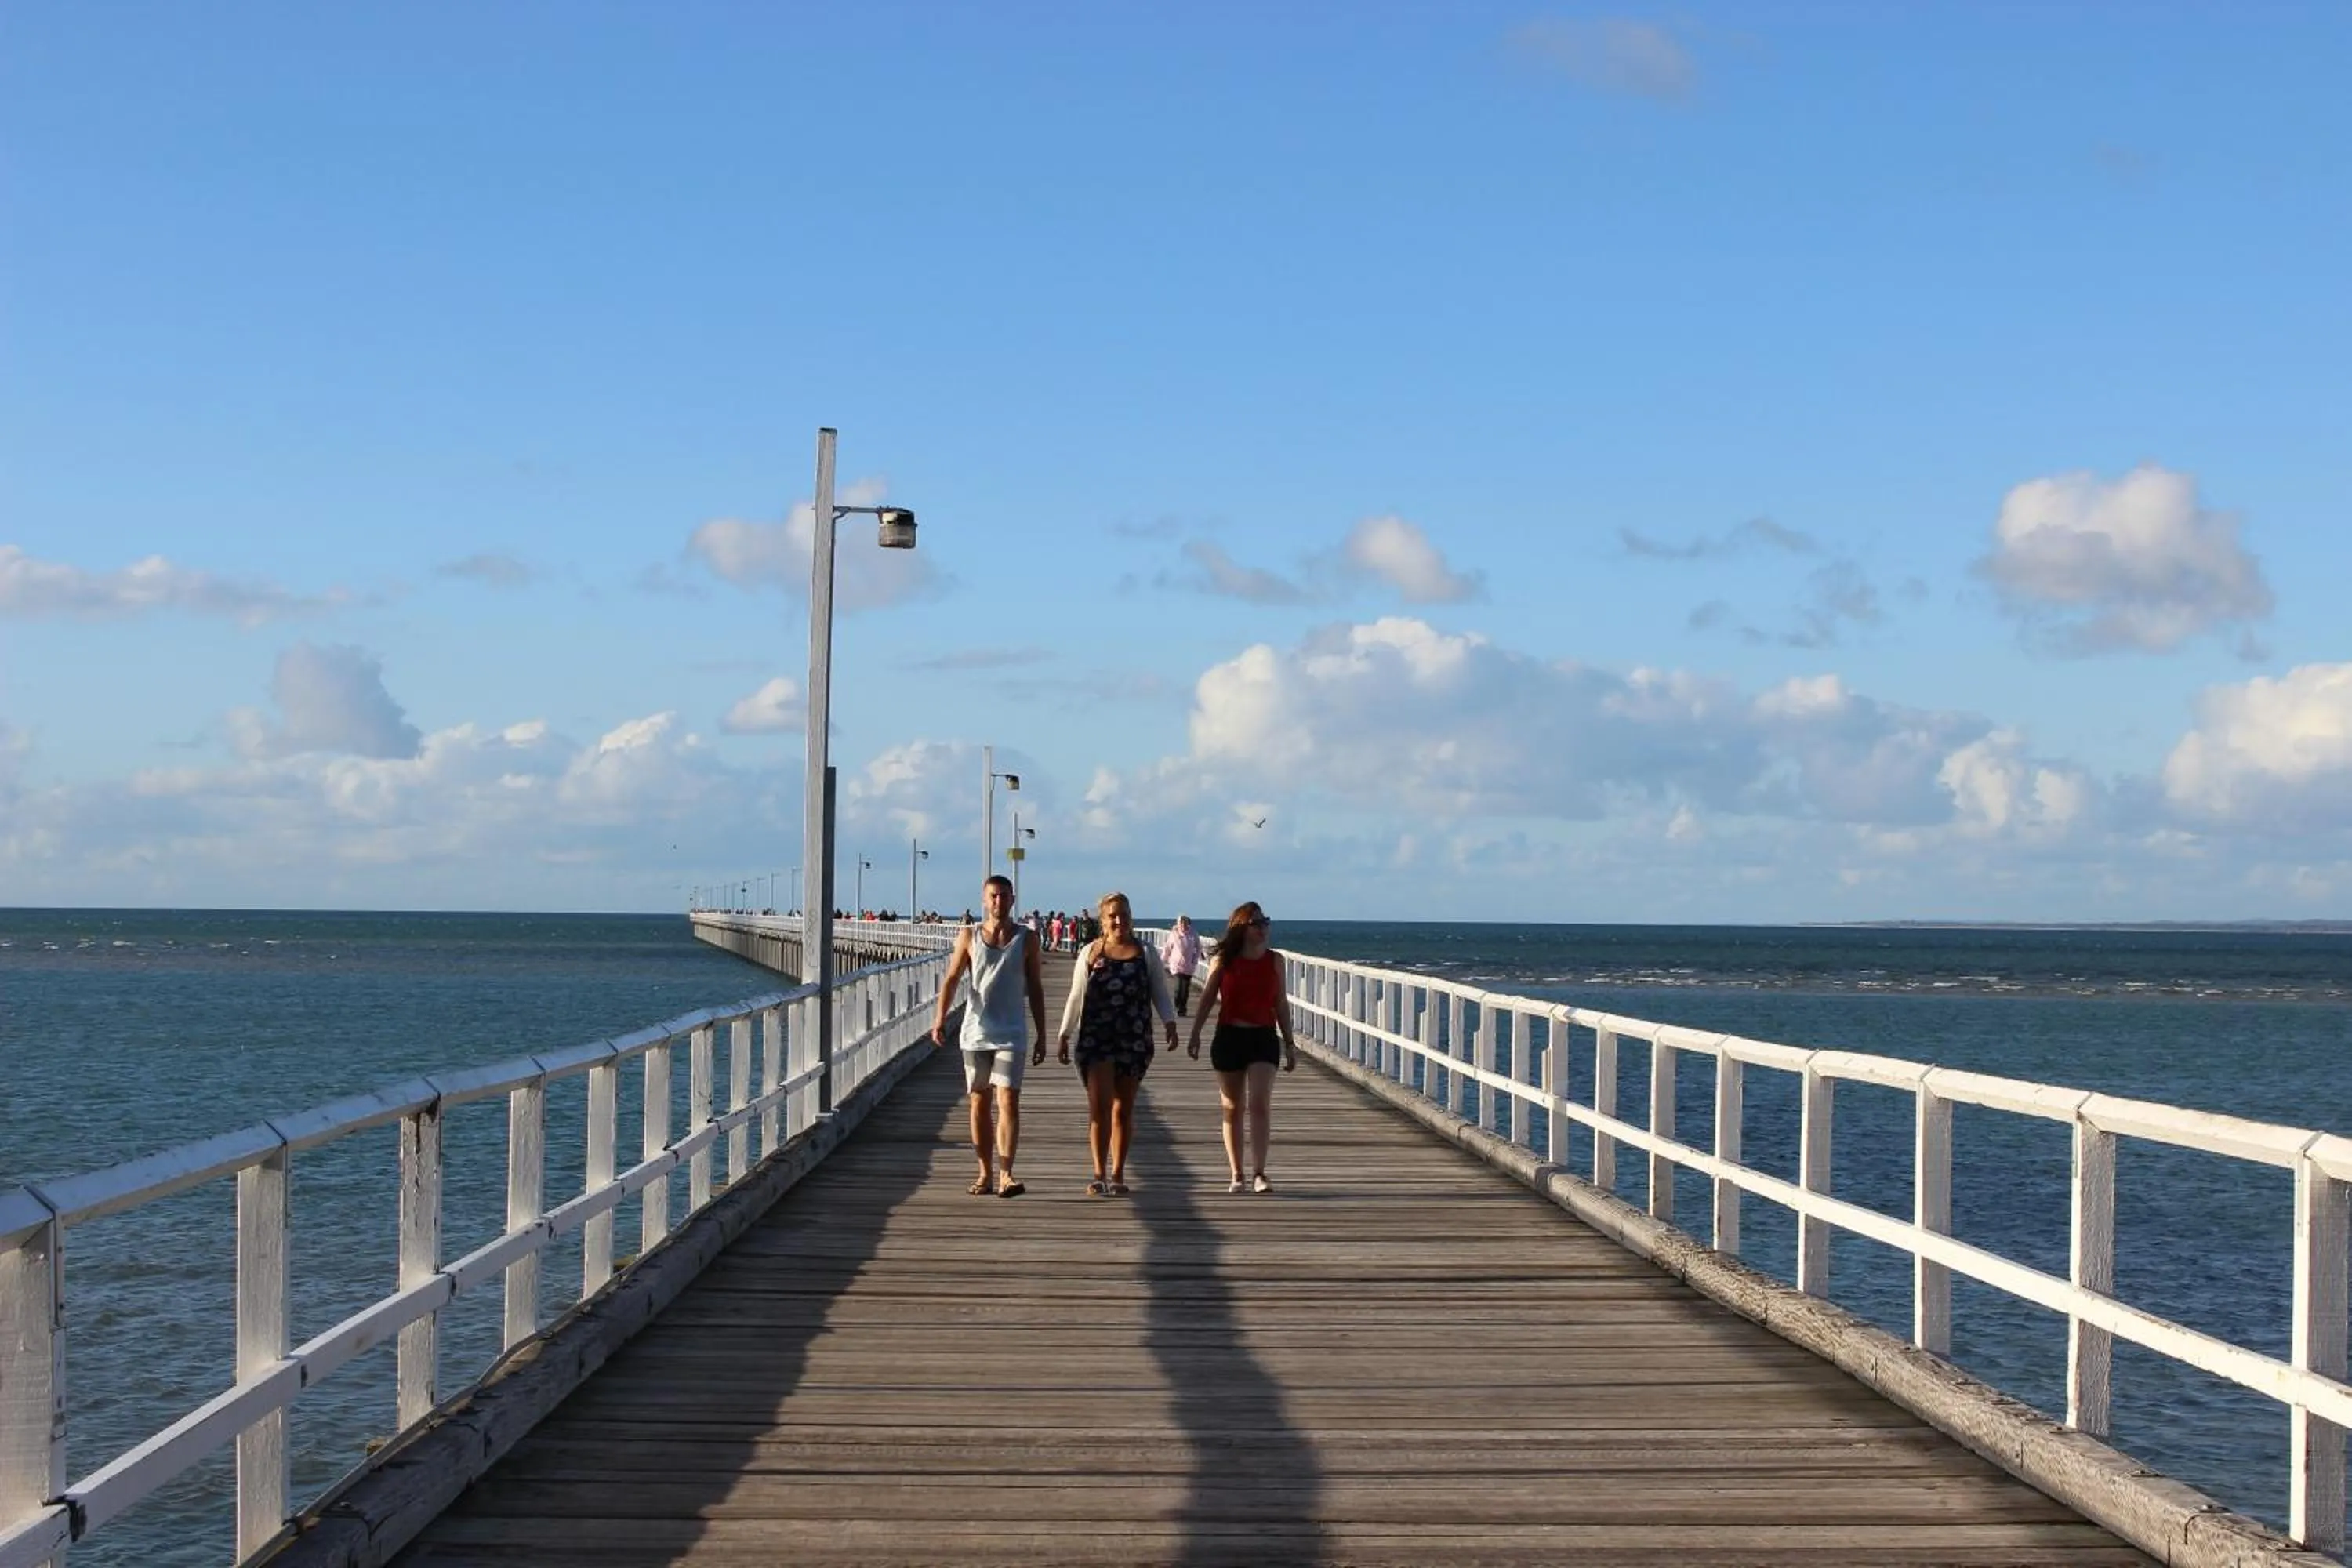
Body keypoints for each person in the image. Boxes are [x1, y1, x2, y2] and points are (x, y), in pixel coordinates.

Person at [930, 875, 1047, 1197]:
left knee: (1008, 1098)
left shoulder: (1027, 938)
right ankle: (984, 1173)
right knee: (979, 1101)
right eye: (994, 896)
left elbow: (1035, 987)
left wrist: (1043, 1034)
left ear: (1013, 900)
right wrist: (939, 1018)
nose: (999, 902)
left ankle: (1007, 1174)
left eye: (1004, 896)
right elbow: (953, 978)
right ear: (984, 899)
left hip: (1012, 1032)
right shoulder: (968, 936)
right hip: (975, 1032)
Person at [1056, 891, 1178, 1196]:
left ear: (1131, 916)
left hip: (1134, 1038)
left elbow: (1160, 992)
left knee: (1123, 1108)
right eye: (1112, 915)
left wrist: (1170, 1023)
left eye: (1123, 914)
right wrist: (1064, 1034)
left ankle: (1118, 1173)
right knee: (1099, 1107)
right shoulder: (1091, 953)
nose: (1119, 920)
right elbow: (1076, 996)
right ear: (1103, 920)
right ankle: (1098, 1174)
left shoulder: (1145, 952)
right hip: (1096, 1038)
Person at [1185, 901, 1297, 1195]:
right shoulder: (1224, 961)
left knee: (1259, 1104)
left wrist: (1290, 1043)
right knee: (1232, 1107)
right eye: (1256, 923)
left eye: (1265, 922)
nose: (1263, 928)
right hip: (1229, 1037)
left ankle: (1260, 1173)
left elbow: (1281, 1003)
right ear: (1241, 929)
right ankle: (1237, 1173)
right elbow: (1208, 998)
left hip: (1263, 1037)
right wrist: (1195, 1033)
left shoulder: (1275, 960)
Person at [1160, 914, 1204, 1017]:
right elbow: (1167, 949)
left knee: (1185, 989)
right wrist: (1162, 962)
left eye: (1185, 923)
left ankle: (1183, 1009)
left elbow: (1198, 948)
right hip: (1176, 965)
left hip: (1188, 966)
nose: (1183, 925)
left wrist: (1195, 959)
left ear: (1188, 923)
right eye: (1181, 923)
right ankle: (1177, 1006)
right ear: (1178, 924)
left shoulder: (1193, 934)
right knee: (1178, 988)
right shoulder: (1174, 934)